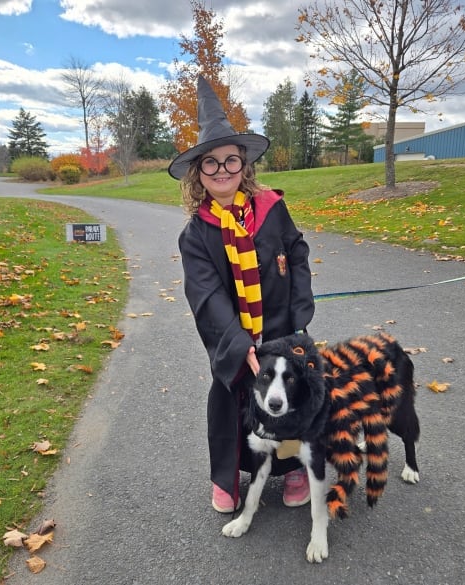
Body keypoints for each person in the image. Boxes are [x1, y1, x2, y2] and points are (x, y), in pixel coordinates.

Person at [170, 76, 315, 513]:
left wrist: (300, 307)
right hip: (234, 334)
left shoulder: (272, 207)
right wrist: (237, 344)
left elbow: (296, 248)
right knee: (231, 404)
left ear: (244, 165)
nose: (222, 171)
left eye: (230, 161)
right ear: (199, 173)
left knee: (287, 397)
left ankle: (291, 469)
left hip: (281, 327)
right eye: (210, 164)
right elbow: (205, 293)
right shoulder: (196, 234)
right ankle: (228, 477)